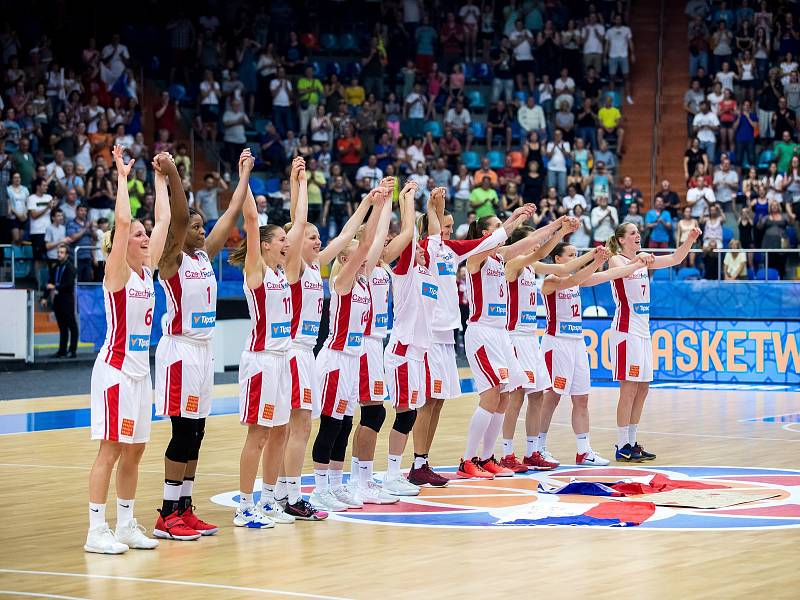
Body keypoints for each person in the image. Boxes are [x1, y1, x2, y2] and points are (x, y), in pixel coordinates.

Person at [152, 148, 252, 540]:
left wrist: (243, 176)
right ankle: (166, 511)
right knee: (182, 431)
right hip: (179, 351)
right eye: (196, 227)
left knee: (198, 433)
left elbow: (230, 217)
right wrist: (174, 174)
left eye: (201, 227)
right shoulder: (172, 259)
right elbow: (176, 218)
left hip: (202, 352)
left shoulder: (204, 258)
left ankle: (185, 506)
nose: (200, 230)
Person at [276, 166, 378, 519]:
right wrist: (300, 184)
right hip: (295, 351)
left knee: (301, 427)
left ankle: (289, 492)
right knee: (298, 427)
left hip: (308, 352)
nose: (318, 241)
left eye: (320, 237)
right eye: (312, 237)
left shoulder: (315, 265)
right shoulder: (292, 267)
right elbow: (298, 222)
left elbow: (349, 234)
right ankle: (291, 494)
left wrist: (367, 201)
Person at [85, 146, 171, 554]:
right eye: (140, 235)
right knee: (111, 450)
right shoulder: (116, 272)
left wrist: (160, 178)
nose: (145, 238)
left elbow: (166, 220)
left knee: (135, 451)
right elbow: (122, 221)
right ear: (123, 244)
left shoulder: (147, 272)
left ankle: (125, 524)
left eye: (144, 235)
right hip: (115, 371)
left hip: (141, 373)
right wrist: (121, 175)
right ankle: (95, 529)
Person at [408, 203, 530, 485]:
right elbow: (489, 240)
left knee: (437, 403)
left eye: (452, 227)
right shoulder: (425, 249)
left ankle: (425, 460)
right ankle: (419, 461)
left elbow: (495, 241)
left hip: (448, 333)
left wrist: (518, 221)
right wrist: (432, 206)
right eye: (446, 227)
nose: (450, 232)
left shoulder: (451, 252)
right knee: (426, 403)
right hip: (428, 333)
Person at [308, 186, 390, 511]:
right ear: (346, 258)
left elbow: (374, 240)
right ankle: (320, 488)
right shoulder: (341, 281)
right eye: (357, 254)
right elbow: (366, 242)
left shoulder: (364, 279)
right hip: (335, 360)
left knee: (343, 424)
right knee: (330, 423)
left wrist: (382, 206)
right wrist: (370, 205)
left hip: (353, 360)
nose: (365, 256)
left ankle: (337, 484)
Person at [457, 205, 550, 479]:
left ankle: (486, 458)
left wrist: (557, 227)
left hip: (500, 334)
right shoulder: (476, 258)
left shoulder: (501, 258)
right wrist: (512, 221)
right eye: (497, 226)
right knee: (490, 395)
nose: (503, 232)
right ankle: (467, 460)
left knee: (504, 397)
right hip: (481, 332)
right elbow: (504, 238)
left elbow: (531, 241)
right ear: (486, 233)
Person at [537, 245, 648, 468]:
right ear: (558, 259)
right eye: (571, 256)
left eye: (577, 256)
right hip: (557, 343)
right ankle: (537, 448)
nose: (575, 259)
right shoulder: (550, 281)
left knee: (582, 398)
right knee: (553, 397)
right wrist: (595, 260)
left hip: (577, 342)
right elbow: (572, 280)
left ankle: (583, 451)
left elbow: (608, 275)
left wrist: (633, 265)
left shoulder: (578, 279)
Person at [607, 222, 702, 461]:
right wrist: (641, 261)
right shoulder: (616, 260)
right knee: (628, 389)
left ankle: (631, 441)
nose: (638, 235)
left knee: (643, 388)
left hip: (643, 332)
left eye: (638, 232)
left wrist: (689, 239)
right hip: (625, 331)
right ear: (621, 240)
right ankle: (621, 446)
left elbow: (675, 259)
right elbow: (624, 270)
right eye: (632, 233)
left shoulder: (641, 259)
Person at [353, 180, 423, 500]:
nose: (385, 243)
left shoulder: (382, 264)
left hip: (376, 344)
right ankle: (360, 480)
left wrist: (404, 199)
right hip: (364, 343)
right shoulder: (364, 266)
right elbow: (377, 236)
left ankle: (365, 479)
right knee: (373, 414)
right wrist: (383, 203)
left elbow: (405, 235)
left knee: (375, 414)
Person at [499, 218, 582, 473]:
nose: (537, 246)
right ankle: (506, 453)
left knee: (537, 395)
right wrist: (557, 231)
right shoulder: (512, 265)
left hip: (530, 337)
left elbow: (560, 264)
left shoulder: (532, 266)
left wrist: (563, 233)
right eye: (533, 241)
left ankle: (532, 451)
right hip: (514, 336)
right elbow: (542, 252)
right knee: (517, 397)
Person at [42, 244, 77, 358]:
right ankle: (62, 350)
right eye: (58, 252)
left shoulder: (70, 267)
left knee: (71, 325)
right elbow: (49, 283)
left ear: (67, 254)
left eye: (62, 252)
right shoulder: (55, 267)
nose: (59, 254)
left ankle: (72, 350)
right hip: (57, 299)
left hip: (67, 299)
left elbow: (68, 284)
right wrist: (44, 297)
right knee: (62, 326)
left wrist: (55, 287)